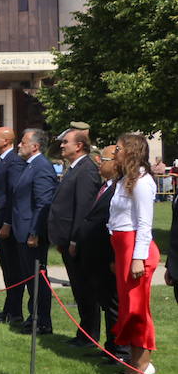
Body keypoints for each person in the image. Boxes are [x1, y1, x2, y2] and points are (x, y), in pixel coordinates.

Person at [107, 134, 159, 374]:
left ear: (130, 151)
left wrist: (137, 258)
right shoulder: (124, 180)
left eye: (118, 148)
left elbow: (144, 224)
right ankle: (133, 364)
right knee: (128, 308)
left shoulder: (142, 181)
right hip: (122, 247)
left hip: (135, 248)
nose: (114, 152)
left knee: (137, 310)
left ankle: (143, 365)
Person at [49, 125, 102, 347]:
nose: (61, 145)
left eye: (66, 142)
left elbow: (84, 208)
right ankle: (84, 332)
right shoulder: (75, 167)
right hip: (68, 241)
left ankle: (89, 336)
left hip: (78, 242)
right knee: (79, 289)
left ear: (79, 146)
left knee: (85, 289)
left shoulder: (87, 168)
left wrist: (74, 240)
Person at [8, 129, 56, 335]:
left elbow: (43, 202)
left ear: (35, 146)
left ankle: (42, 320)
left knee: (37, 278)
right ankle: (34, 316)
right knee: (29, 277)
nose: (19, 145)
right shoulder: (31, 166)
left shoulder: (41, 167)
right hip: (23, 230)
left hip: (31, 233)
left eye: (23, 142)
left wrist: (35, 232)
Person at [82, 147, 121, 356]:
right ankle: (111, 347)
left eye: (103, 159)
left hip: (109, 254)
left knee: (114, 304)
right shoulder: (105, 187)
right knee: (106, 302)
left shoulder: (118, 188)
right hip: (97, 255)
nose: (99, 163)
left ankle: (119, 351)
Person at [0, 127, 26, 324]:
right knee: (7, 269)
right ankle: (9, 308)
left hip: (7, 225)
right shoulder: (1, 161)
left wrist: (6, 223)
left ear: (6, 140)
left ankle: (15, 311)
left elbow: (13, 196)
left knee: (14, 269)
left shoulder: (13, 162)